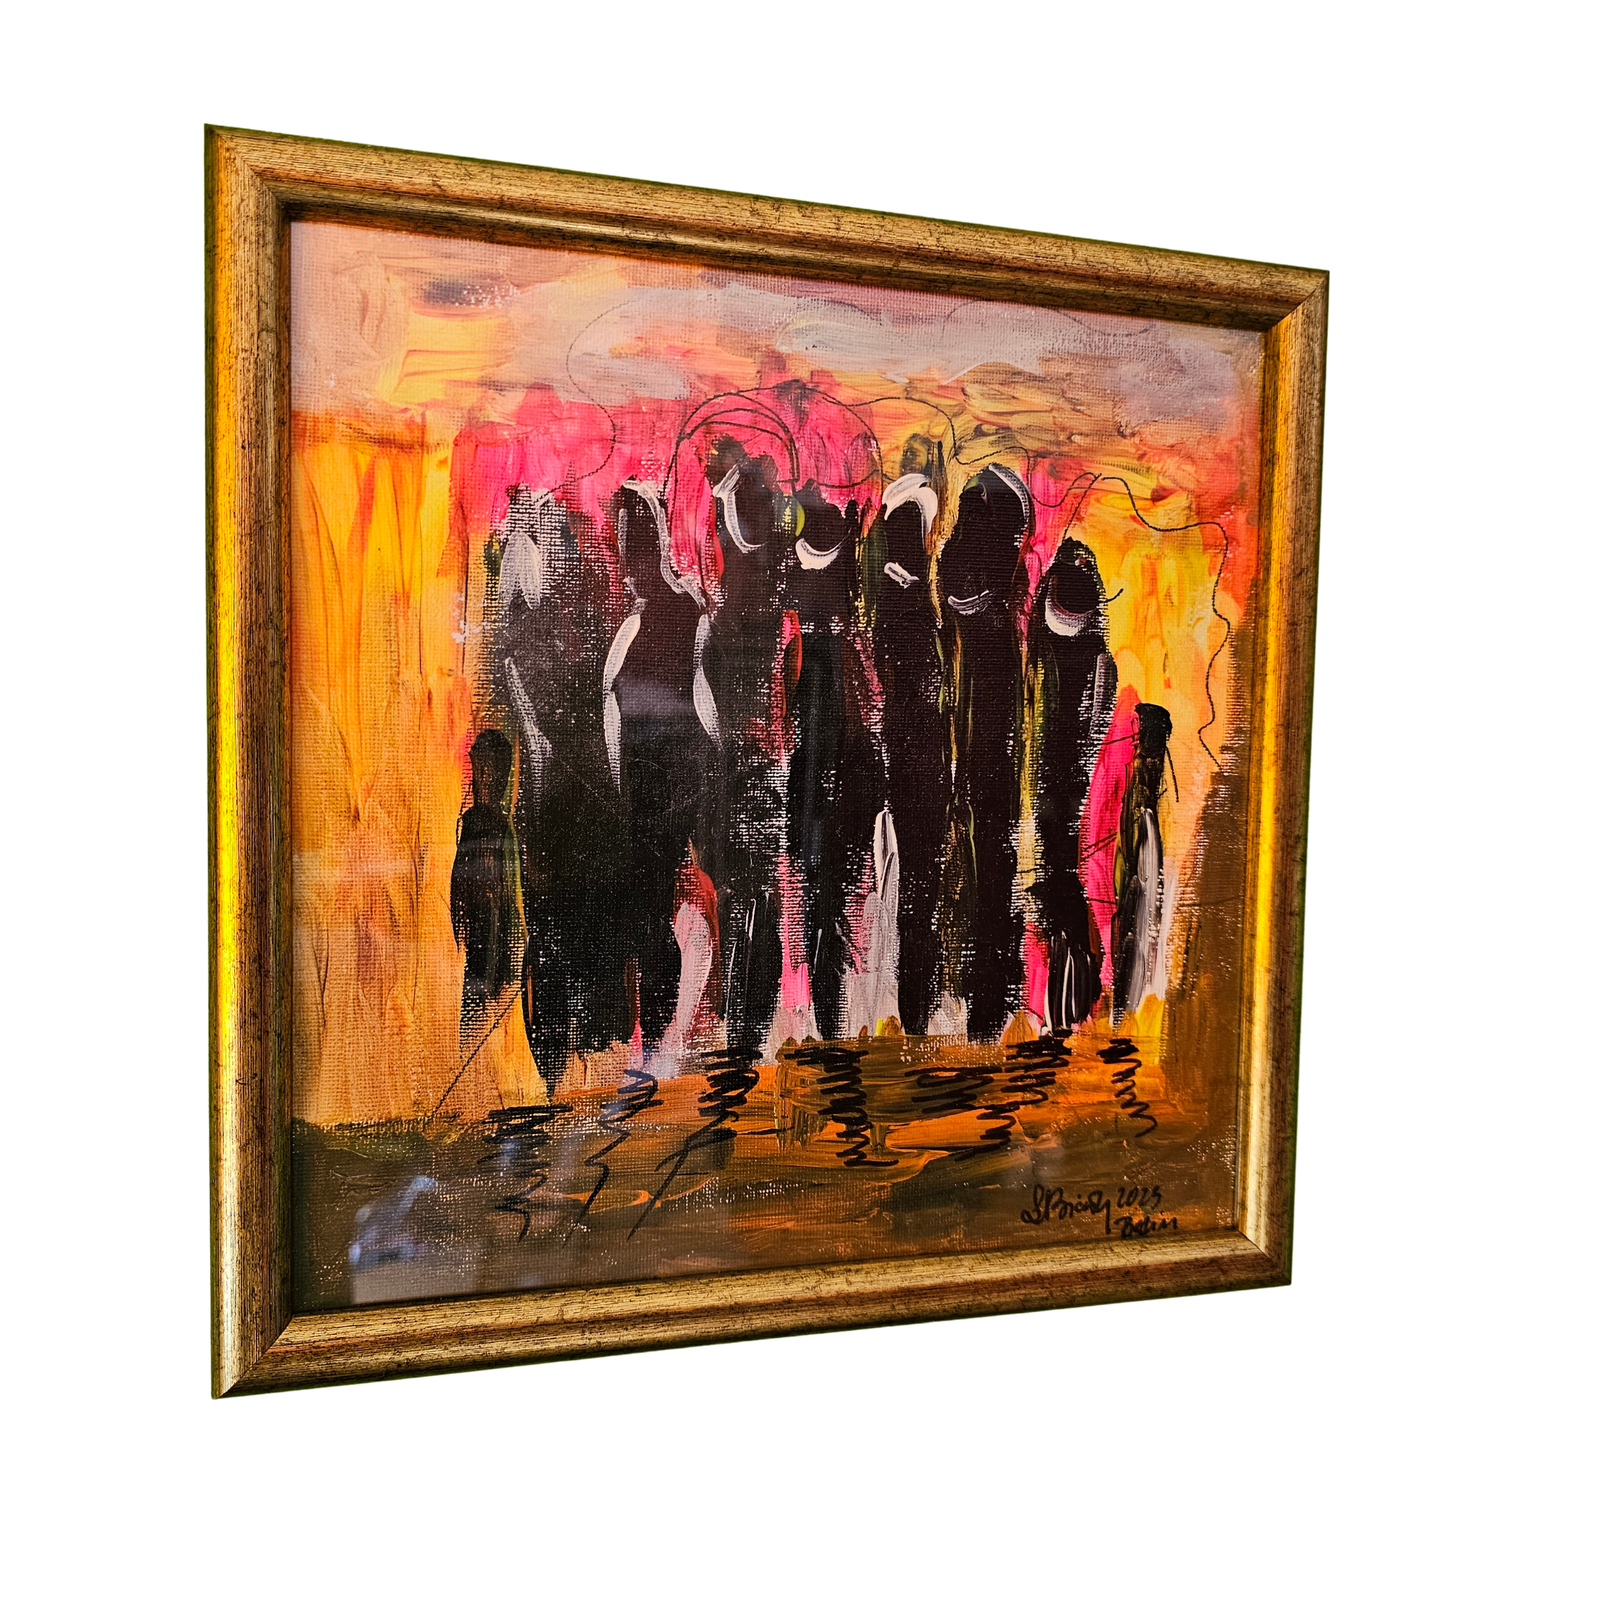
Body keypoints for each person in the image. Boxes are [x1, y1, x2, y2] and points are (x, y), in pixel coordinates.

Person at [449, 729, 522, 1050]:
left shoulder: (485, 823)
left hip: (487, 928)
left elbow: (498, 890)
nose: (475, 775)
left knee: (478, 993)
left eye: (478, 766)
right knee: (479, 989)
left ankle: (470, 1036)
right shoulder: (485, 822)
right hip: (486, 927)